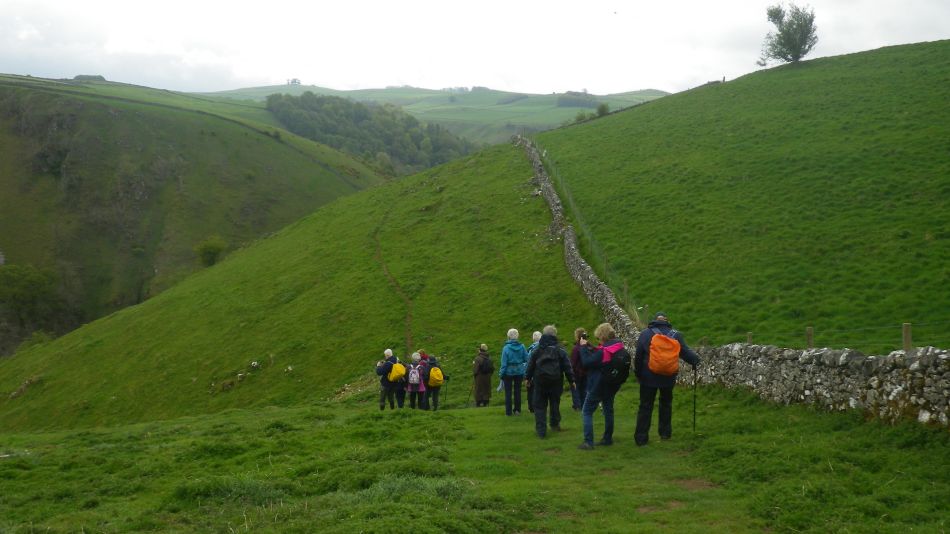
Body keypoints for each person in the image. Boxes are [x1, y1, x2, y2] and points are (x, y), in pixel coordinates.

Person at [634, 312, 700, 446]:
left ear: (654, 321)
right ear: (667, 321)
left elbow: (638, 356)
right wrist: (695, 360)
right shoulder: (675, 335)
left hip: (648, 377)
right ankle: (665, 433)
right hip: (668, 376)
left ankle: (641, 438)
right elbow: (685, 352)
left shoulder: (646, 334)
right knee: (666, 404)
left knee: (645, 406)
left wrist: (639, 374)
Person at [578, 323, 627, 449]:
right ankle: (607, 438)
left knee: (587, 411)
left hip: (598, 385)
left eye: (599, 338)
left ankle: (588, 442)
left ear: (602, 336)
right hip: (613, 384)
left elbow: (586, 363)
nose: (598, 340)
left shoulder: (603, 351)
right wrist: (591, 346)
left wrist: (583, 347)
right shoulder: (619, 347)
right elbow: (601, 355)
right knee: (608, 410)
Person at [525, 325, 575, 438]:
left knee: (539, 406)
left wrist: (527, 378)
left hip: (540, 381)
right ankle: (554, 424)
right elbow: (567, 366)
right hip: (556, 381)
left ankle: (541, 430)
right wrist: (572, 380)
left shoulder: (537, 350)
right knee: (554, 403)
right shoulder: (560, 350)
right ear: (555, 335)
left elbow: (530, 365)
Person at [499, 328, 528, 416]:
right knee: (517, 391)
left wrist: (501, 373)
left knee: (508, 392)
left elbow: (503, 363)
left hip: (508, 372)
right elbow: (526, 359)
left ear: (508, 336)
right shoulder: (522, 346)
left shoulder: (506, 348)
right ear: (517, 336)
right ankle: (517, 410)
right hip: (519, 371)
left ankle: (508, 412)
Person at [570, 328, 589, 411]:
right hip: (586, 372)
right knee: (584, 389)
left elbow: (573, 362)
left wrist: (571, 371)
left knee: (576, 389)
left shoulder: (576, 348)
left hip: (577, 372)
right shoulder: (588, 346)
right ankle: (584, 405)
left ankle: (577, 405)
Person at [525, 331, 542, 413]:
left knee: (531, 390)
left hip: (533, 373)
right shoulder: (545, 348)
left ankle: (531, 407)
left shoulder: (531, 349)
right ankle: (540, 406)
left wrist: (527, 375)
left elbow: (528, 362)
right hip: (543, 373)